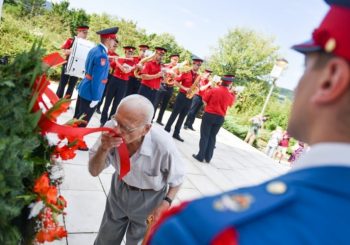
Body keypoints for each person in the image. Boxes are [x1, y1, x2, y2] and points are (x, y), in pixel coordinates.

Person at [148, 0, 350, 244]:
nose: (297, 86)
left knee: (205, 135)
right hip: (218, 116)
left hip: (209, 113)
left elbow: (208, 96)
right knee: (209, 138)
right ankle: (206, 154)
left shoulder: (200, 231)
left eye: (306, 68)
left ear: (330, 80)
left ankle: (202, 153)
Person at [89, 95, 185, 245]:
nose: (118, 130)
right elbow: (94, 171)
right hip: (119, 189)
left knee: (138, 241)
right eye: (117, 121)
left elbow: (177, 180)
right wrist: (104, 148)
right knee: (106, 238)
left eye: (126, 128)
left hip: (150, 199)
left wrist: (165, 203)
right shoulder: (111, 128)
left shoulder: (163, 145)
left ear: (146, 129)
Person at [73, 27, 118, 127]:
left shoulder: (95, 49)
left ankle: (70, 140)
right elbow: (97, 79)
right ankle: (73, 141)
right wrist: (96, 97)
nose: (114, 43)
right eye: (113, 39)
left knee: (76, 119)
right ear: (108, 39)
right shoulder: (102, 56)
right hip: (91, 93)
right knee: (81, 123)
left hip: (85, 88)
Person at [192, 75, 235, 163]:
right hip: (220, 118)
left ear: (221, 82)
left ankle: (200, 156)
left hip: (209, 115)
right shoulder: (230, 95)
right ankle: (208, 158)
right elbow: (231, 104)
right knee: (212, 137)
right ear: (229, 84)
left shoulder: (214, 90)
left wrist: (207, 107)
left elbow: (204, 100)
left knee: (205, 136)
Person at [164, 56, 203, 142]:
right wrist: (184, 88)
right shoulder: (185, 72)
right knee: (174, 114)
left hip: (190, 98)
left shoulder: (198, 76)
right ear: (193, 64)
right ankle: (167, 129)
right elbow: (175, 81)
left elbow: (197, 87)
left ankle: (176, 133)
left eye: (199, 65)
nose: (198, 67)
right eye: (197, 64)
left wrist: (196, 88)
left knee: (182, 116)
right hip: (182, 95)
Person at [100, 46, 136, 126]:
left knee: (116, 104)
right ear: (125, 52)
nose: (130, 54)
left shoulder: (133, 63)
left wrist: (117, 62)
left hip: (123, 83)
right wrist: (110, 59)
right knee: (107, 102)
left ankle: (110, 121)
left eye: (131, 53)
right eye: (128, 52)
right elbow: (109, 66)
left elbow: (125, 71)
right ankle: (103, 120)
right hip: (114, 80)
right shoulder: (119, 58)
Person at [56, 25, 89, 99]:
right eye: (84, 32)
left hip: (78, 66)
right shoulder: (71, 40)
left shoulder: (86, 44)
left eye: (87, 33)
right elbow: (63, 51)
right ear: (79, 31)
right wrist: (70, 51)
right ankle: (57, 99)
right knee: (62, 83)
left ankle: (66, 102)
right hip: (67, 63)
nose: (86, 34)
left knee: (72, 85)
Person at [154, 54, 180, 126]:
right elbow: (162, 73)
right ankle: (151, 118)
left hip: (170, 87)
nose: (175, 61)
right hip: (162, 85)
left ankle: (159, 119)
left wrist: (175, 75)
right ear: (171, 59)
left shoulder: (177, 69)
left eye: (177, 60)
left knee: (164, 105)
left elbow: (178, 78)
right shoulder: (165, 65)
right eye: (174, 59)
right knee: (156, 103)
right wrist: (170, 71)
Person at [96, 40, 119, 114]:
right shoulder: (105, 52)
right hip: (102, 74)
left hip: (110, 75)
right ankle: (94, 105)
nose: (114, 47)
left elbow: (115, 67)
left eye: (116, 46)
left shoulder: (116, 56)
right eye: (113, 45)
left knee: (104, 92)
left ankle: (98, 107)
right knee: (98, 89)